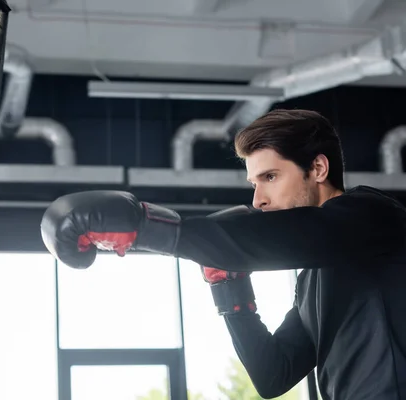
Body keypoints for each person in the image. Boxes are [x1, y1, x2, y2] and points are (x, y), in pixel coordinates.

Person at [40, 109, 406, 400]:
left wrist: (148, 226)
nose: (257, 199)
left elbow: (298, 236)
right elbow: (273, 375)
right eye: (254, 183)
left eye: (271, 177)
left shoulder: (373, 215)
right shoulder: (313, 279)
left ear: (319, 168)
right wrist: (231, 290)